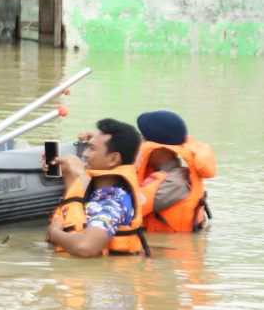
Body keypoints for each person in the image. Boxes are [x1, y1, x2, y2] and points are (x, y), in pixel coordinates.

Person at [47, 118, 147, 257]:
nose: (84, 154)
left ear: (113, 159)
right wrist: (67, 171)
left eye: (92, 148)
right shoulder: (98, 188)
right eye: (87, 147)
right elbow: (76, 203)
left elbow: (86, 247)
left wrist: (55, 233)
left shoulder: (112, 201)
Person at [135, 110, 216, 233]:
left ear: (161, 149)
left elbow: (125, 210)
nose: (139, 143)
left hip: (166, 246)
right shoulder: (163, 174)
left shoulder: (173, 183)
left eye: (143, 139)